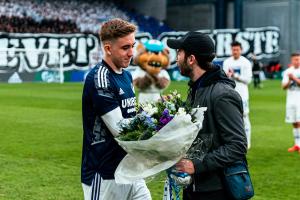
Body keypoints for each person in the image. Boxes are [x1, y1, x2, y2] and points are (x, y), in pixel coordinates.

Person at [167, 32, 247, 200]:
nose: (176, 59)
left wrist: (196, 165)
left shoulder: (222, 94)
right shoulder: (197, 89)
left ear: (191, 59)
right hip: (194, 185)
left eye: (179, 53)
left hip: (216, 189)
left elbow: (237, 145)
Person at [81, 18, 151, 200]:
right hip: (105, 174)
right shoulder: (100, 79)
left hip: (131, 168)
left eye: (133, 46)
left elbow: (132, 116)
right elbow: (121, 129)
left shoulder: (127, 76)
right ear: (108, 48)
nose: (131, 53)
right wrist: (151, 122)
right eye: (125, 47)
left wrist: (156, 116)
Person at [223, 41, 252, 149]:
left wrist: (235, 75)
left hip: (242, 94)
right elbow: (224, 78)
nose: (235, 51)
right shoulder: (227, 62)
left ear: (241, 50)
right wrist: (228, 75)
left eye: (237, 49)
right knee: (229, 118)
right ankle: (233, 142)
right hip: (229, 94)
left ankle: (247, 142)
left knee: (244, 116)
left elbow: (248, 80)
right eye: (233, 49)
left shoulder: (245, 62)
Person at [282, 53, 300, 153]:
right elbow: (283, 87)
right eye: (295, 60)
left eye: (298, 59)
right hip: (290, 100)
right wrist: (289, 80)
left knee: (299, 122)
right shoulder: (288, 72)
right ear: (291, 61)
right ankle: (297, 145)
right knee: (294, 122)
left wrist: (294, 79)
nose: (297, 61)